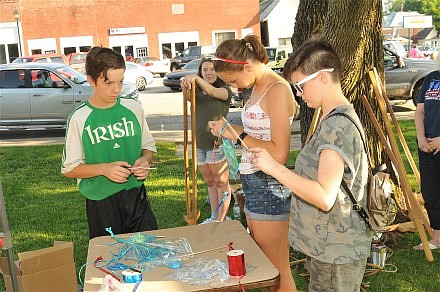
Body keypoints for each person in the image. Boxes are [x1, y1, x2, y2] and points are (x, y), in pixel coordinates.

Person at [248, 36, 372, 291]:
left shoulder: (336, 126)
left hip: (335, 251)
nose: (298, 94)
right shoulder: (334, 117)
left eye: (301, 86)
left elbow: (324, 196)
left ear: (323, 77)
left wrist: (274, 168)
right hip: (329, 246)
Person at [208, 35, 298, 291]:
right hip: (256, 182)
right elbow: (259, 139)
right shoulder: (259, 86)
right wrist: (232, 133)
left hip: (269, 186)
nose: (235, 87)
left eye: (234, 81)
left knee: (277, 268)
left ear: (247, 66)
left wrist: (237, 133)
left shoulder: (277, 90)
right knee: (269, 267)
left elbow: (279, 154)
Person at [61, 46, 158, 239]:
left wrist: (145, 160)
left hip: (136, 194)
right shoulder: (80, 118)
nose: (116, 89)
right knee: (111, 259)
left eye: (120, 82)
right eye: (108, 83)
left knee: (149, 250)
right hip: (101, 201)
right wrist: (105, 169)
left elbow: (148, 147)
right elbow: (69, 169)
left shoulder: (133, 108)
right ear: (91, 80)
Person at [180, 56, 233, 221]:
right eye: (205, 70)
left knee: (221, 183)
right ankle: (214, 217)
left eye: (212, 69)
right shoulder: (197, 93)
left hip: (216, 144)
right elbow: (187, 96)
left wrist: (196, 78)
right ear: (200, 72)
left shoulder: (224, 90)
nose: (209, 72)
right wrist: (185, 85)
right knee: (210, 183)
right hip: (200, 144)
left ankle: (221, 220)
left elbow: (211, 91)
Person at [414, 69, 440, 250]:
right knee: (431, 193)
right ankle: (437, 238)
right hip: (428, 146)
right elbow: (420, 111)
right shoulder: (432, 78)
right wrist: (421, 138)